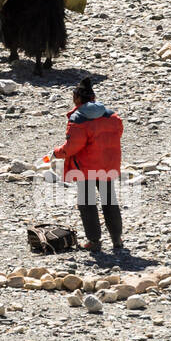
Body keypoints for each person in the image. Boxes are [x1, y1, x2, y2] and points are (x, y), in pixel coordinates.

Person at [53, 76, 125, 254]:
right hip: (108, 165)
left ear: (78, 98)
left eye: (73, 95)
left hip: (85, 169)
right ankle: (117, 239)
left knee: (87, 203)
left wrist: (56, 153)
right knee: (110, 201)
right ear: (93, 98)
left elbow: (71, 147)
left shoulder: (78, 119)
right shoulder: (112, 116)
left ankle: (94, 241)